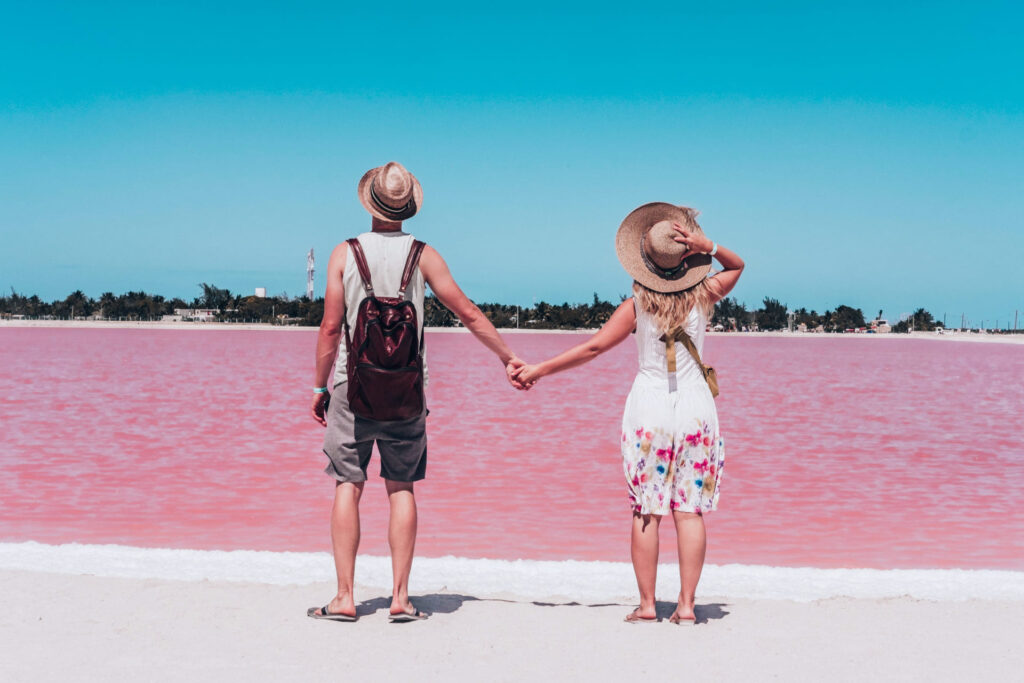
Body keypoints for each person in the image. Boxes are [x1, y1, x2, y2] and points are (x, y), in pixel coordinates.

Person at [308, 161, 525, 622]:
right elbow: (466, 311)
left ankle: (345, 598)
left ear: (369, 201)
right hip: (407, 389)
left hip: (351, 385)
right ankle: (401, 599)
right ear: (407, 207)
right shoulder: (424, 255)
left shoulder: (344, 254)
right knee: (400, 486)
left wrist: (318, 386)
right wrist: (507, 357)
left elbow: (330, 328)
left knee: (348, 484)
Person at [514, 202, 744, 625]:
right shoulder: (705, 294)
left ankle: (647, 605)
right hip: (696, 410)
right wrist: (705, 244)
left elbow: (594, 347)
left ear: (645, 260)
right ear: (686, 259)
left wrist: (539, 370)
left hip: (649, 409)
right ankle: (688, 607)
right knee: (689, 510)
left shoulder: (636, 305)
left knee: (647, 509)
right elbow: (737, 264)